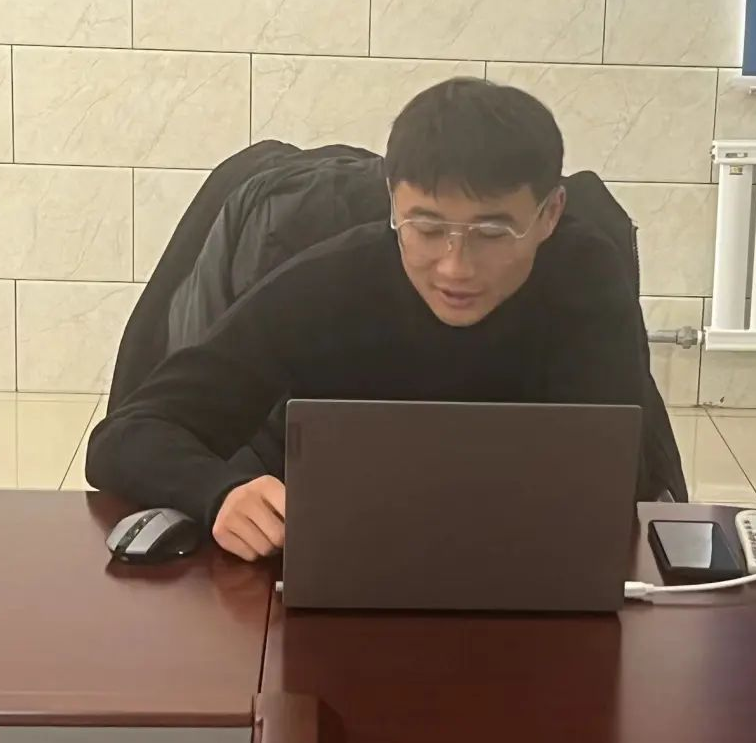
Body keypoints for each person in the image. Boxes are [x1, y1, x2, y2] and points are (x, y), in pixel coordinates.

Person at [87, 77, 667, 561]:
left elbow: (612, 479)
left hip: (522, 569)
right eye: (427, 227)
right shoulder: (333, 281)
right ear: (392, 200)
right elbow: (127, 434)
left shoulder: (586, 280)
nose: (455, 266)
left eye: (493, 232)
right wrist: (219, 492)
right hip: (325, 566)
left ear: (550, 214)